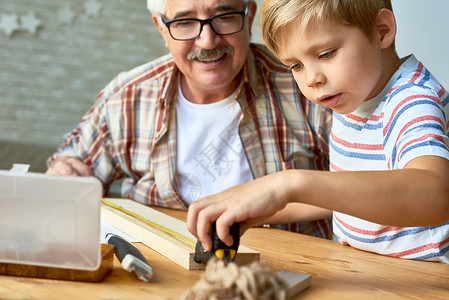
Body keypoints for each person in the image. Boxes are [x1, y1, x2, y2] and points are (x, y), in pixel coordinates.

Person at [187, 0, 449, 263]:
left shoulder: (411, 100)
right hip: (370, 270)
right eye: (296, 65)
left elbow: (436, 196)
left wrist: (287, 183)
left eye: (326, 54)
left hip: (424, 279)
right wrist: (254, 208)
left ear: (382, 30)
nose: (312, 78)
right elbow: (346, 194)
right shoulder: (358, 94)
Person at [46, 0, 334, 239]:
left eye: (224, 16)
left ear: (249, 18)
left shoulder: (306, 84)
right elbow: (74, 167)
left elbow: (369, 184)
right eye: (184, 23)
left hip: (292, 276)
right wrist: (65, 171)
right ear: (162, 28)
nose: (207, 41)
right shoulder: (127, 97)